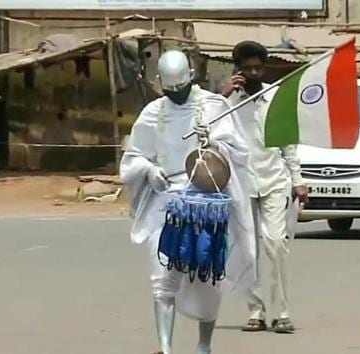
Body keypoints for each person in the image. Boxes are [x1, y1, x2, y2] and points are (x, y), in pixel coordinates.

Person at [120, 50, 256, 354]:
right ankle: (165, 348)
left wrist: (215, 141)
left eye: (181, 88)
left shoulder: (213, 106)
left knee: (207, 280)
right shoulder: (152, 113)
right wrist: (149, 170)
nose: (176, 95)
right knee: (162, 277)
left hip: (205, 203)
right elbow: (134, 156)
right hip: (165, 203)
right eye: (171, 90)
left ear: (191, 77)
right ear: (161, 85)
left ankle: (204, 345)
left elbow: (239, 151)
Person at [221, 41, 308, 334]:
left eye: (258, 67)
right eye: (248, 68)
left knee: (275, 244)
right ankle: (255, 312)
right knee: (248, 251)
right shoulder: (227, 103)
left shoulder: (275, 97)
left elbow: (289, 144)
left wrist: (298, 181)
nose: (254, 72)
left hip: (274, 181)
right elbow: (206, 128)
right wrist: (224, 96)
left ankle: (281, 312)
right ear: (238, 71)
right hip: (242, 183)